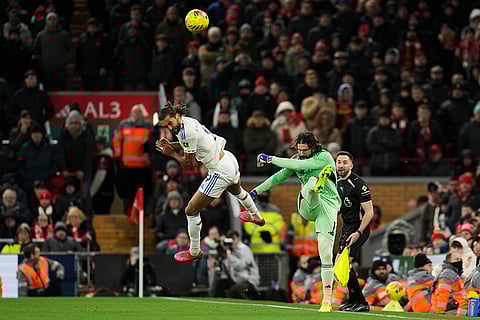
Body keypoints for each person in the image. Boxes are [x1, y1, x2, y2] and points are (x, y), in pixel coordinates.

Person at [155, 102, 263, 263]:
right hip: (227, 157)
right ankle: (256, 216)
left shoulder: (186, 132)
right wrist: (171, 144)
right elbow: (191, 144)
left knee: (190, 210)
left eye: (170, 123)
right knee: (237, 191)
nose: (169, 127)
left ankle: (195, 251)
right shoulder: (187, 121)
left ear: (177, 116)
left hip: (219, 170)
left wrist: (171, 153)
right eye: (166, 125)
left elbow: (189, 163)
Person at [248, 131, 340, 312]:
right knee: (311, 183)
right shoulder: (297, 159)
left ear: (312, 147)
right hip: (307, 205)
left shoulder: (324, 156)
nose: (301, 152)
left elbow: (300, 164)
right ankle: (314, 186)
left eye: (304, 149)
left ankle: (327, 301)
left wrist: (270, 158)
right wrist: (255, 192)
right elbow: (278, 178)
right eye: (298, 149)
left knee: (326, 254)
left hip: (328, 206)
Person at [335, 151, 374, 312]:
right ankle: (353, 300)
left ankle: (362, 303)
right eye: (339, 162)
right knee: (341, 266)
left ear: (351, 165)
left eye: (345, 162)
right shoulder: (336, 182)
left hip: (359, 229)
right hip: (347, 228)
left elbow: (369, 212)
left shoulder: (358, 183)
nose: (341, 165)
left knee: (344, 264)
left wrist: (358, 232)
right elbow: (339, 207)